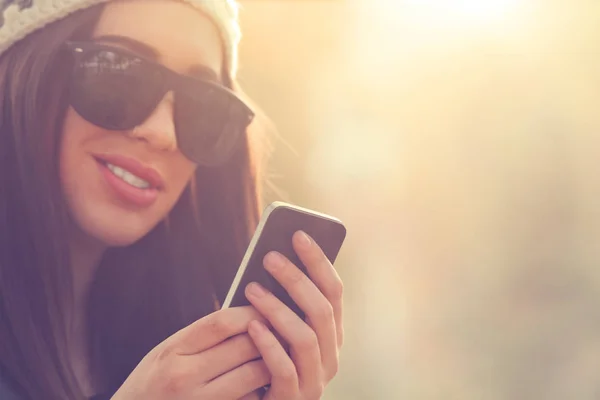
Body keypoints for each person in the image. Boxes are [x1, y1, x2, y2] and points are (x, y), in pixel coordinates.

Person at [0, 0, 345, 399]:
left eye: (202, 105)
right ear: (23, 72)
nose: (163, 133)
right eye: (120, 74)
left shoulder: (184, 356)